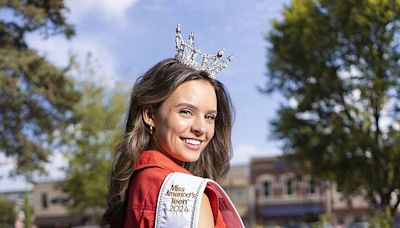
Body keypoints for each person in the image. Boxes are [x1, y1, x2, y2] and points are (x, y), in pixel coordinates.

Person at [103, 24, 244, 228]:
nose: (201, 128)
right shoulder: (188, 197)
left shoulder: (138, 182)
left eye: (209, 117)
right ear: (150, 115)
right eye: (186, 112)